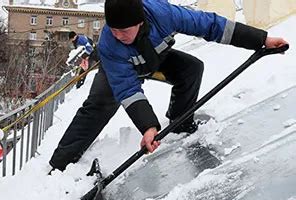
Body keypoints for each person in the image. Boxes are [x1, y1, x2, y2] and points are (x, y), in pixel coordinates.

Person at [49, 0, 288, 172]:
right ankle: (61, 165)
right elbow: (128, 90)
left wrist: (261, 39)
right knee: (100, 104)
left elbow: (212, 26)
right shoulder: (110, 44)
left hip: (154, 59)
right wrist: (148, 126)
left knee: (191, 69)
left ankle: (180, 123)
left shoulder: (164, 13)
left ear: (140, 22)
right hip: (120, 69)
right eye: (113, 29)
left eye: (124, 30)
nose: (118, 35)